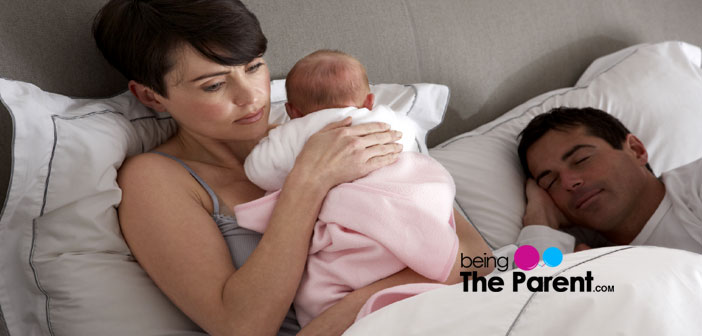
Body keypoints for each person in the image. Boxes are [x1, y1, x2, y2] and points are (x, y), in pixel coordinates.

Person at [92, 1, 493, 335]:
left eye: (254, 67)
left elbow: (480, 260)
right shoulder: (156, 179)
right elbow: (241, 327)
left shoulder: (341, 131)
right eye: (214, 85)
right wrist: (308, 182)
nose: (252, 97)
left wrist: (353, 309)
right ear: (151, 96)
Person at [240, 49, 458, 327]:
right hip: (403, 218)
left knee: (323, 282)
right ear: (369, 101)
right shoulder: (386, 119)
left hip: (351, 233)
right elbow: (410, 144)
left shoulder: (293, 132)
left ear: (292, 111)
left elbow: (259, 171)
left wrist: (269, 138)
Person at [516, 107, 702, 255]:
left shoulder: (695, 184)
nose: (568, 183)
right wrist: (539, 222)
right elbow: (529, 296)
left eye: (581, 159)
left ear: (636, 150)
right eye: (550, 182)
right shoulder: (582, 257)